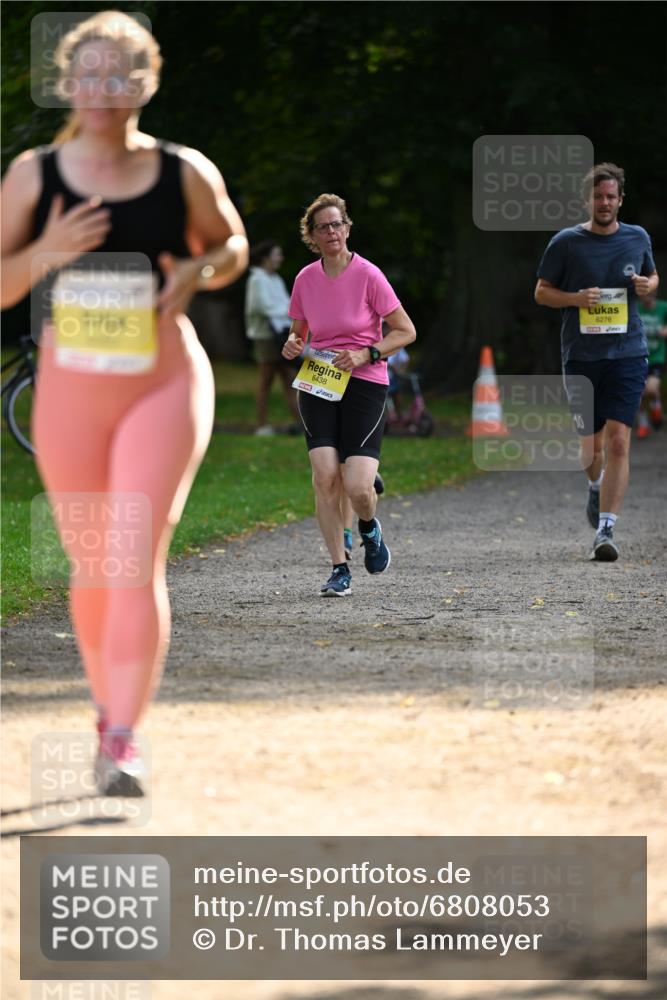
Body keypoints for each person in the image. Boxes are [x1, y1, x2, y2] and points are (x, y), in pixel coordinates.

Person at [0, 10, 248, 794]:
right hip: (70, 386)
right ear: (67, 82)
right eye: (91, 74)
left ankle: (122, 735)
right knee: (93, 561)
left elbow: (230, 246)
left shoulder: (183, 171)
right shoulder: (36, 175)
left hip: (163, 380)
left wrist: (195, 276)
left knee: (135, 556)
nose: (105, 89)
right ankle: (107, 706)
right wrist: (47, 252)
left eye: (122, 74)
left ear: (147, 81)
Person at [283, 193, 416, 596]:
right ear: (312, 235)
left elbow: (405, 331)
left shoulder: (369, 275)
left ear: (347, 227)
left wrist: (366, 353)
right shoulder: (305, 279)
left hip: (365, 382)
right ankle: (339, 568)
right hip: (320, 380)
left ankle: (369, 528)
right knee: (325, 476)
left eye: (337, 224)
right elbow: (299, 332)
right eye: (323, 226)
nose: (332, 232)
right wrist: (292, 343)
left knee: (357, 487)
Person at [535, 162, 658, 562]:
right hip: (582, 355)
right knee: (591, 448)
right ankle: (595, 486)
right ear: (586, 199)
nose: (604, 203)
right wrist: (574, 299)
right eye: (597, 196)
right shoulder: (566, 243)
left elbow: (652, 279)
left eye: (611, 197)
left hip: (628, 352)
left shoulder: (638, 237)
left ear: (620, 200)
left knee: (620, 439)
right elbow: (541, 293)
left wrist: (648, 285)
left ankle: (606, 529)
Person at [244, 240, 300, 436]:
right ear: (266, 257)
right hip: (265, 336)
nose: (280, 258)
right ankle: (262, 425)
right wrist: (287, 312)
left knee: (288, 377)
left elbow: (287, 303)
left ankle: (300, 423)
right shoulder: (257, 280)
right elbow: (259, 308)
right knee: (267, 380)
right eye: (277, 254)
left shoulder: (274, 279)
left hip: (280, 334)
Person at [635, 293, 667, 437]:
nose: (646, 297)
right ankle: (643, 424)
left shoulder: (663, 307)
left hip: (656, 357)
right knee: (639, 393)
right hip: (639, 357)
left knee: (651, 389)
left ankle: (656, 408)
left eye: (649, 294)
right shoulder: (635, 308)